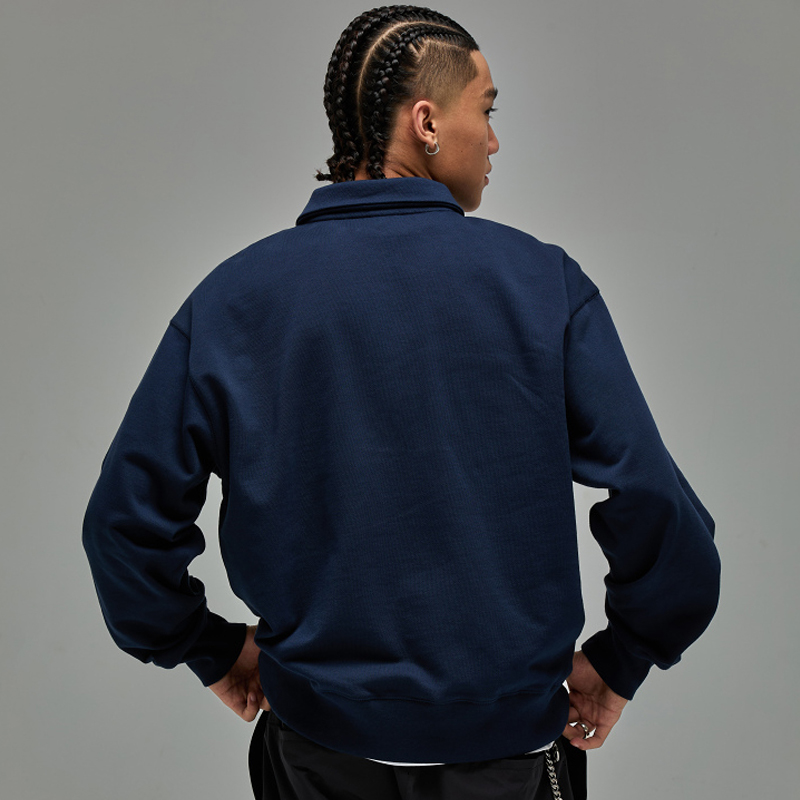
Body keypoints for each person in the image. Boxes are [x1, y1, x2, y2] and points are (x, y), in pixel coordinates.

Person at [82, 6, 721, 799]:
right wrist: (622, 659)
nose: (494, 141)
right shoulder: (542, 286)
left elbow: (123, 525)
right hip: (511, 756)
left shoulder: (235, 299)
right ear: (426, 122)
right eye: (486, 110)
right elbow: (659, 506)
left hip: (315, 750)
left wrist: (212, 650)